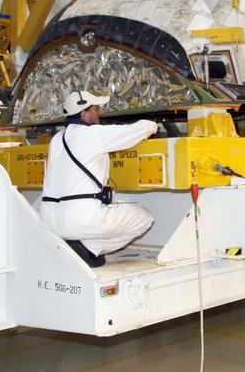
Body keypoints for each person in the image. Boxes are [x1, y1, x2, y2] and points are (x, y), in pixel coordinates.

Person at [40, 90, 158, 267]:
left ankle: (79, 246)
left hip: (50, 221)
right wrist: (152, 125)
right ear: (84, 114)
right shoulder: (91, 134)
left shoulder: (56, 140)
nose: (100, 113)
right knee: (145, 218)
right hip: (80, 219)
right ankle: (88, 248)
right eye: (96, 109)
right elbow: (131, 132)